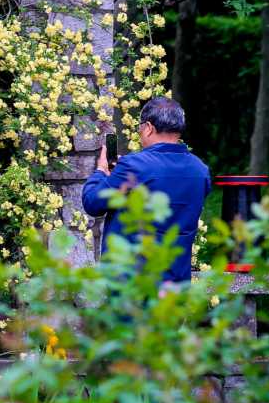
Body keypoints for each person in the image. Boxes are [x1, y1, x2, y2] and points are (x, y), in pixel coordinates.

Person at [81, 95, 211, 284]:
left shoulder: (135, 166)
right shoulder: (200, 171)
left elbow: (93, 203)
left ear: (149, 128)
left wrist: (101, 172)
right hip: (176, 284)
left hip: (132, 286)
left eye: (139, 129)